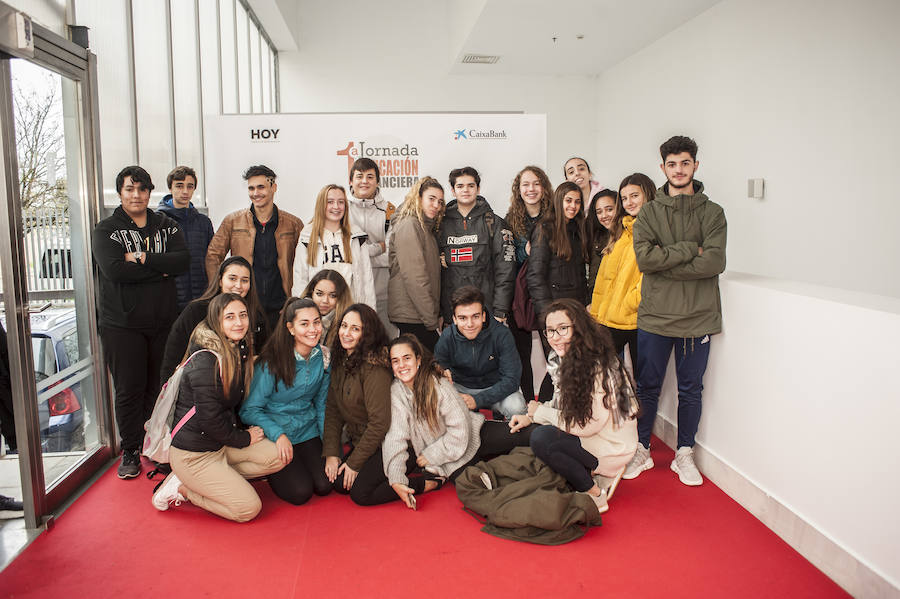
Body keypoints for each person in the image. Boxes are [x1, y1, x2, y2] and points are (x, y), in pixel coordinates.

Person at [624, 135, 727, 487]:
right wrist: (688, 250)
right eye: (672, 164)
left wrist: (667, 263)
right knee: (647, 386)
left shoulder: (713, 213)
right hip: (655, 316)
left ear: (695, 165)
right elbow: (646, 260)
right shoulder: (650, 212)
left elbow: (714, 261)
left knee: (690, 390)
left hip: (698, 317)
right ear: (663, 168)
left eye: (685, 163)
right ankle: (642, 447)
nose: (679, 169)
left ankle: (684, 452)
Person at [92, 165, 189, 479]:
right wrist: (161, 269)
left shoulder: (167, 225)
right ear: (120, 192)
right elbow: (114, 271)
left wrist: (142, 257)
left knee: (159, 387)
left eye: (142, 189)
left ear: (150, 192)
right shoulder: (106, 229)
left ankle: (155, 443)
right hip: (121, 325)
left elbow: (182, 262)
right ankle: (130, 449)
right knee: (129, 388)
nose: (136, 195)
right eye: (129, 189)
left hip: (163, 321)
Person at [151, 293, 284, 521]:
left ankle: (216, 481)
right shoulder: (206, 361)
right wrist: (244, 438)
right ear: (216, 322)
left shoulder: (233, 349)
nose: (239, 322)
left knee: (279, 457)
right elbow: (210, 421)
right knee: (248, 508)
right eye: (230, 317)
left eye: (243, 315)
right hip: (194, 455)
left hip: (219, 446)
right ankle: (182, 488)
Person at [372, 335, 535, 508]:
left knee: (525, 434)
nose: (402, 365)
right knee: (480, 490)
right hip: (452, 457)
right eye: (395, 361)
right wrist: (397, 479)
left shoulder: (437, 383)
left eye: (406, 358)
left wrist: (431, 454)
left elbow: (461, 430)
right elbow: (394, 437)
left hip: (473, 433)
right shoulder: (396, 392)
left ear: (418, 359)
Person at [509, 299, 639, 513]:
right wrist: (531, 417)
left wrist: (541, 412)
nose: (555, 338)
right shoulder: (568, 358)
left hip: (611, 444)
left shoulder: (595, 366)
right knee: (537, 430)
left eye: (562, 329)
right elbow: (562, 404)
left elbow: (587, 426)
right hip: (595, 435)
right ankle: (591, 471)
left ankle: (595, 493)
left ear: (578, 327)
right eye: (550, 331)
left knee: (542, 439)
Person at [240, 298, 331, 506]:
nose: (313, 329)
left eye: (317, 322)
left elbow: (322, 404)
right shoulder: (272, 362)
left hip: (307, 430)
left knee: (325, 485)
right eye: (304, 324)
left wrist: (330, 446)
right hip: (277, 433)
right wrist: (278, 434)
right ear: (290, 328)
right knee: (301, 492)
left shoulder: (323, 356)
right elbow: (249, 409)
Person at [205, 165, 304, 329]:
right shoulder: (233, 221)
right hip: (245, 306)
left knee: (279, 354)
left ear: (274, 187)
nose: (255, 193)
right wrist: (221, 293)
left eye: (261, 187)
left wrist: (294, 301)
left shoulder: (293, 224)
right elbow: (213, 256)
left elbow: (304, 265)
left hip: (281, 308)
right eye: (251, 188)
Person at [322, 304, 393, 505]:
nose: (346, 333)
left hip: (387, 443)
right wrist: (332, 452)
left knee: (360, 494)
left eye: (355, 329)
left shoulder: (374, 367)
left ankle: (425, 482)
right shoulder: (342, 358)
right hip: (362, 440)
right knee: (337, 483)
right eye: (344, 326)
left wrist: (353, 463)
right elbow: (333, 410)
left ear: (367, 333)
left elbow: (380, 424)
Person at [160, 256, 268, 386]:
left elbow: (265, 355)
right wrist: (166, 389)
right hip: (198, 388)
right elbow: (172, 354)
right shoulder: (196, 311)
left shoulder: (255, 315)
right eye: (232, 278)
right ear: (220, 280)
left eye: (244, 280)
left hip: (242, 390)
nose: (238, 285)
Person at [589, 174, 656, 377]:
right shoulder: (621, 231)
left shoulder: (654, 230)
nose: (629, 202)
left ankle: (642, 410)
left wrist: (630, 302)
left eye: (634, 195)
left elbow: (651, 276)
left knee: (643, 380)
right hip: (611, 320)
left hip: (637, 318)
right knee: (606, 378)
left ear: (648, 195)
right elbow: (604, 280)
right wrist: (597, 315)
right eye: (625, 198)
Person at [437, 166, 516, 325]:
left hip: (486, 311)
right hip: (452, 313)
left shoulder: (494, 223)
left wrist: (500, 309)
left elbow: (506, 269)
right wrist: (439, 313)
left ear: (478, 188)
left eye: (471, 186)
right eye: (460, 186)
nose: (465, 190)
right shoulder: (440, 224)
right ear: (452, 190)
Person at [434, 286, 525, 420]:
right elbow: (436, 368)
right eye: (463, 318)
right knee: (436, 402)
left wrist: (477, 399)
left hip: (496, 387)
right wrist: (440, 372)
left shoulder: (502, 334)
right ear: (454, 319)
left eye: (475, 317)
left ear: (483, 316)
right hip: (461, 389)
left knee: (517, 406)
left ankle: (512, 438)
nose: (469, 324)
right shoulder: (447, 336)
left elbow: (512, 379)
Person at [504, 166, 552, 399]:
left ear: (543, 187)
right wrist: (525, 250)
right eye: (525, 184)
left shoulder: (556, 216)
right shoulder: (510, 221)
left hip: (549, 294)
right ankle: (526, 404)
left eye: (536, 183)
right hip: (520, 295)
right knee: (521, 354)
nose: (531, 189)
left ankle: (549, 402)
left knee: (555, 353)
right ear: (518, 189)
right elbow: (507, 261)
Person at [291, 184, 375, 308]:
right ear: (321, 205)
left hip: (349, 311)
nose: (336, 207)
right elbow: (300, 280)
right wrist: (303, 313)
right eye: (330, 202)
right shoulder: (307, 237)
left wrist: (369, 314)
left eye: (341, 202)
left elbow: (367, 280)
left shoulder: (357, 236)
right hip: (319, 312)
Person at [387, 176, 445, 352]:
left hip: (418, 314)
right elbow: (415, 278)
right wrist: (431, 320)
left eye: (440, 201)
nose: (436, 205)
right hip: (412, 315)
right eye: (431, 199)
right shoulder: (409, 225)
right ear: (418, 198)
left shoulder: (424, 228)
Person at [346, 158, 396, 336]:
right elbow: (346, 253)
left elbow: (391, 255)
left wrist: (360, 254)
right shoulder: (341, 209)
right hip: (350, 292)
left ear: (377, 181)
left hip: (383, 292)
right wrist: (378, 248)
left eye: (370, 177)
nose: (364, 181)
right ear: (351, 180)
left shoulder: (390, 211)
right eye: (359, 176)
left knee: (385, 342)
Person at [527, 181, 589, 320]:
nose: (573, 206)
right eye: (568, 200)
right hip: (554, 309)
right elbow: (535, 276)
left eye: (577, 202)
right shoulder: (544, 229)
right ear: (558, 201)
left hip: (577, 309)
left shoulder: (579, 230)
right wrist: (547, 314)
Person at [157, 165, 214, 311]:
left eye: (190, 186)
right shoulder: (158, 221)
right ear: (170, 188)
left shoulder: (203, 222)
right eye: (179, 186)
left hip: (200, 296)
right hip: (170, 298)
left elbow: (211, 258)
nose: (185, 191)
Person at [300, 269, 352, 347]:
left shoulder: (348, 323)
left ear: (341, 298)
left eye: (332, 296)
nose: (325, 301)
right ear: (311, 293)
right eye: (319, 294)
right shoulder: (296, 317)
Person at [586, 189, 616, 295]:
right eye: (599, 212)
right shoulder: (598, 238)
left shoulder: (629, 235)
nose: (604, 215)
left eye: (609, 209)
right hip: (600, 300)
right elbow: (594, 276)